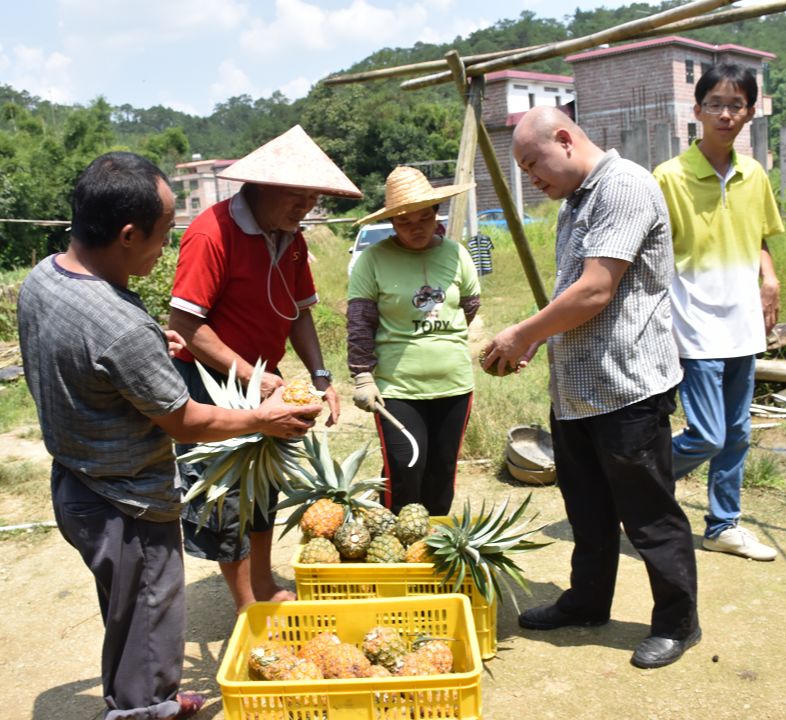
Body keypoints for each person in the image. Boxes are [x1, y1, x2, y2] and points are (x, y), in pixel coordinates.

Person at [16, 152, 320, 719]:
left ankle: (148, 696)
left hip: (77, 483)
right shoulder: (122, 325)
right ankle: (142, 710)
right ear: (128, 234)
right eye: (161, 236)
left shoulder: (44, 279)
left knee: (129, 614)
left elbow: (90, 351)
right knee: (152, 613)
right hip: (126, 501)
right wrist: (262, 418)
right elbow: (187, 420)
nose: (166, 248)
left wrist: (152, 346)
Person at [482, 106, 700, 669]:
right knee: (587, 510)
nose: (532, 178)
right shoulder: (576, 199)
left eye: (534, 164)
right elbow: (570, 295)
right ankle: (587, 602)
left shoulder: (624, 186)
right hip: (579, 389)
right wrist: (534, 342)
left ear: (565, 138)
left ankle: (678, 623)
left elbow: (595, 291)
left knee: (648, 513)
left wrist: (520, 332)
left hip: (627, 387)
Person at [168, 125, 362, 610]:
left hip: (264, 382)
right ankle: (245, 603)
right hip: (212, 385)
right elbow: (186, 325)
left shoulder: (291, 239)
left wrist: (321, 376)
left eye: (312, 197)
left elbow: (299, 311)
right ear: (260, 187)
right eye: (296, 196)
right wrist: (247, 374)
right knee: (226, 495)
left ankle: (262, 580)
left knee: (263, 488)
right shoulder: (211, 232)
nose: (305, 207)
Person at [654, 63, 783, 562]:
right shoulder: (670, 177)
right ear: (697, 110)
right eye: (716, 104)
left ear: (750, 112)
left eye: (736, 105)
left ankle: (722, 524)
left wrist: (769, 278)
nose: (725, 114)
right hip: (693, 324)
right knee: (707, 434)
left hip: (744, 325)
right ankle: (631, 482)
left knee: (738, 434)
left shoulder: (755, 176)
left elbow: (760, 239)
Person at [348, 166, 480, 515]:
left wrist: (438, 340)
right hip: (398, 388)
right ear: (391, 222)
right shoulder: (373, 260)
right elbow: (360, 322)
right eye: (404, 222)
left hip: (453, 385)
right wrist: (362, 374)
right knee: (405, 469)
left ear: (436, 213)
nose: (415, 228)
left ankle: (432, 555)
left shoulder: (456, 254)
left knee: (442, 474)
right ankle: (395, 558)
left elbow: (469, 305)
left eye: (423, 218)